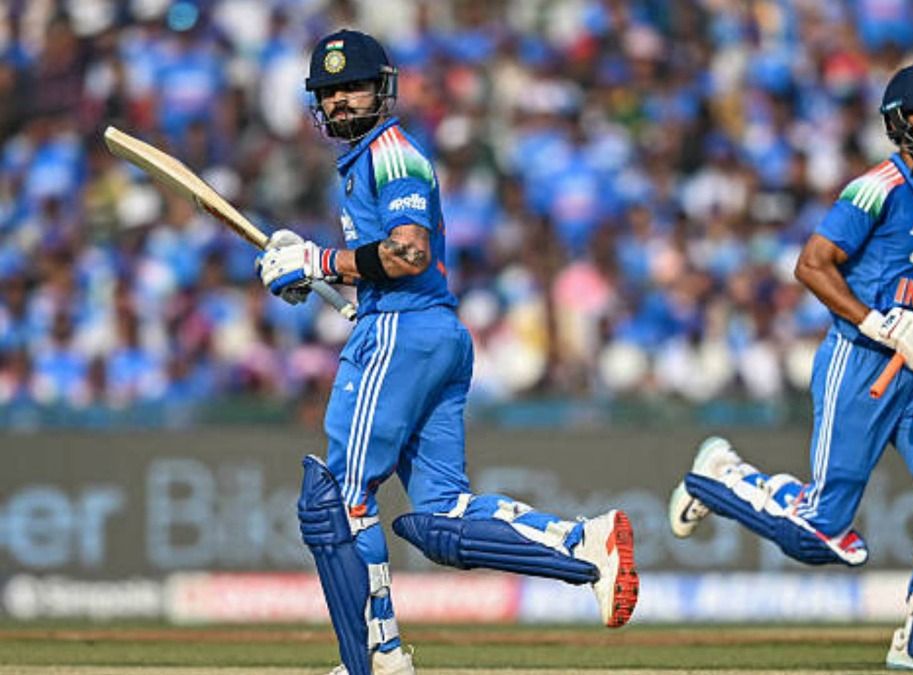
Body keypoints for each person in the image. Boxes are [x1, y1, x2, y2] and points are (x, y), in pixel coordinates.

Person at [256, 30, 638, 675]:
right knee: (441, 517)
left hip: (405, 331)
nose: (343, 100)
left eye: (353, 86)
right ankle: (582, 542)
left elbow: (408, 253)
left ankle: (375, 659)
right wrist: (323, 278)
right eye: (330, 91)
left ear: (383, 88)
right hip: (428, 328)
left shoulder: (393, 156)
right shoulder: (365, 162)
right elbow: (390, 264)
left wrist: (319, 260)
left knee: (337, 502)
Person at [667, 64, 913, 671]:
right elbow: (812, 264)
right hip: (861, 361)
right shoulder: (873, 188)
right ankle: (720, 476)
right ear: (899, 122)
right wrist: (876, 322)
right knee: (819, 532)